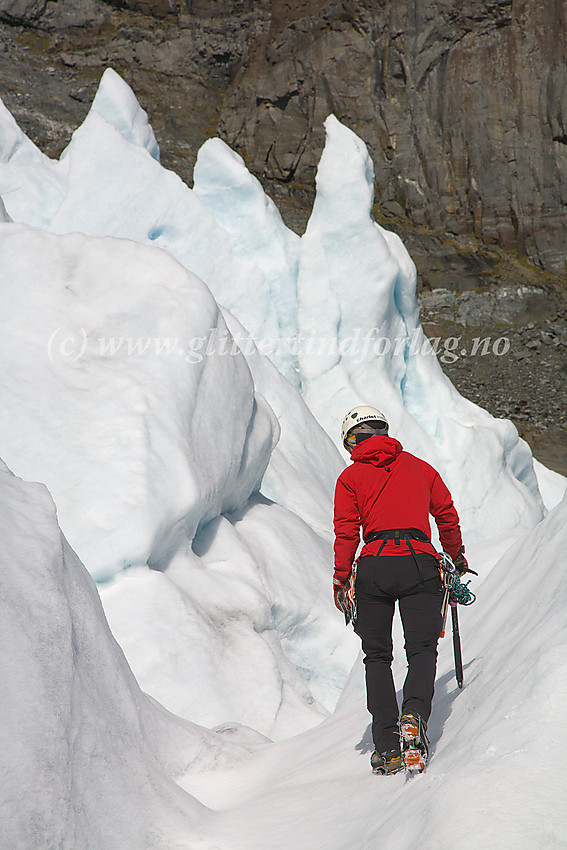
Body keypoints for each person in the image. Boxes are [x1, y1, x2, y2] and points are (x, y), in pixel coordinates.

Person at [333, 406, 468, 774]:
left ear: (352, 440)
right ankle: (414, 714)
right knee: (422, 649)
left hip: (373, 565)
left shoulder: (350, 477)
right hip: (419, 563)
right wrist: (456, 557)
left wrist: (341, 579)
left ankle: (388, 747)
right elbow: (446, 515)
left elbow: (346, 532)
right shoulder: (421, 468)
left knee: (377, 656)